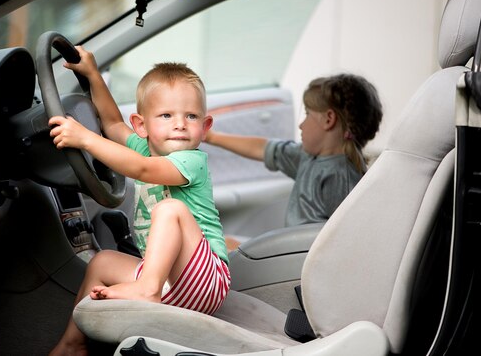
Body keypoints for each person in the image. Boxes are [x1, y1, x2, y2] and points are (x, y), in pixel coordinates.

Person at [48, 46, 230, 356]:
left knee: (170, 209)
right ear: (142, 125)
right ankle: (73, 343)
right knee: (102, 260)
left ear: (206, 125)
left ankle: (146, 290)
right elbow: (113, 125)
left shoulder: (192, 160)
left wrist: (85, 139)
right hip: (169, 284)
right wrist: (93, 75)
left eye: (191, 116)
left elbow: (142, 169)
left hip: (206, 280)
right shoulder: (145, 147)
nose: (180, 124)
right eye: (166, 115)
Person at [205, 73, 383, 231]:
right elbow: (263, 148)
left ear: (329, 119)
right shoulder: (308, 157)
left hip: (297, 259)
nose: (301, 124)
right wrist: (213, 137)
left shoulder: (341, 177)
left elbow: (341, 240)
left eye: (307, 114)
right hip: (289, 250)